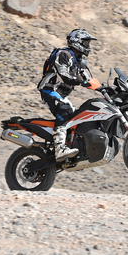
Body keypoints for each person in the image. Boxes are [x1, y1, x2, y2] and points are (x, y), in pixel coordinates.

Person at [37, 29, 101, 160]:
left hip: (60, 95)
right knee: (64, 111)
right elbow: (63, 75)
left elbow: (87, 79)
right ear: (77, 41)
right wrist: (81, 81)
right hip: (50, 90)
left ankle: (71, 144)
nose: (88, 46)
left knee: (76, 117)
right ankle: (60, 149)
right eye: (86, 42)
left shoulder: (77, 60)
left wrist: (104, 88)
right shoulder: (64, 54)